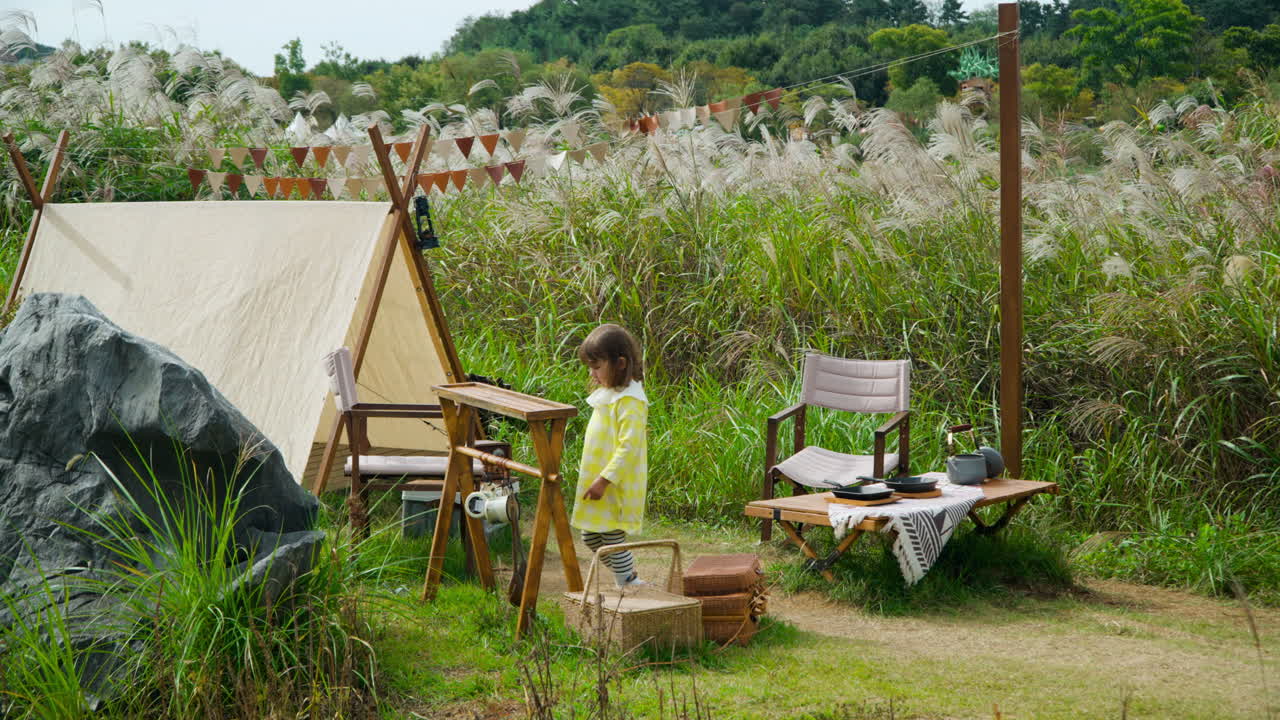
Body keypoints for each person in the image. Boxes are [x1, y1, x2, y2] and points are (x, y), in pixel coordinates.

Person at [570, 323, 648, 588]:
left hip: (615, 483)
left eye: (597, 366)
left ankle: (627, 581)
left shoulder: (631, 400)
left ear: (621, 363)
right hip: (599, 479)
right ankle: (627, 576)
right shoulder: (609, 394)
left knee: (611, 534)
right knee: (590, 538)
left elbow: (628, 447)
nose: (593, 373)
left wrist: (605, 479)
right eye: (590, 367)